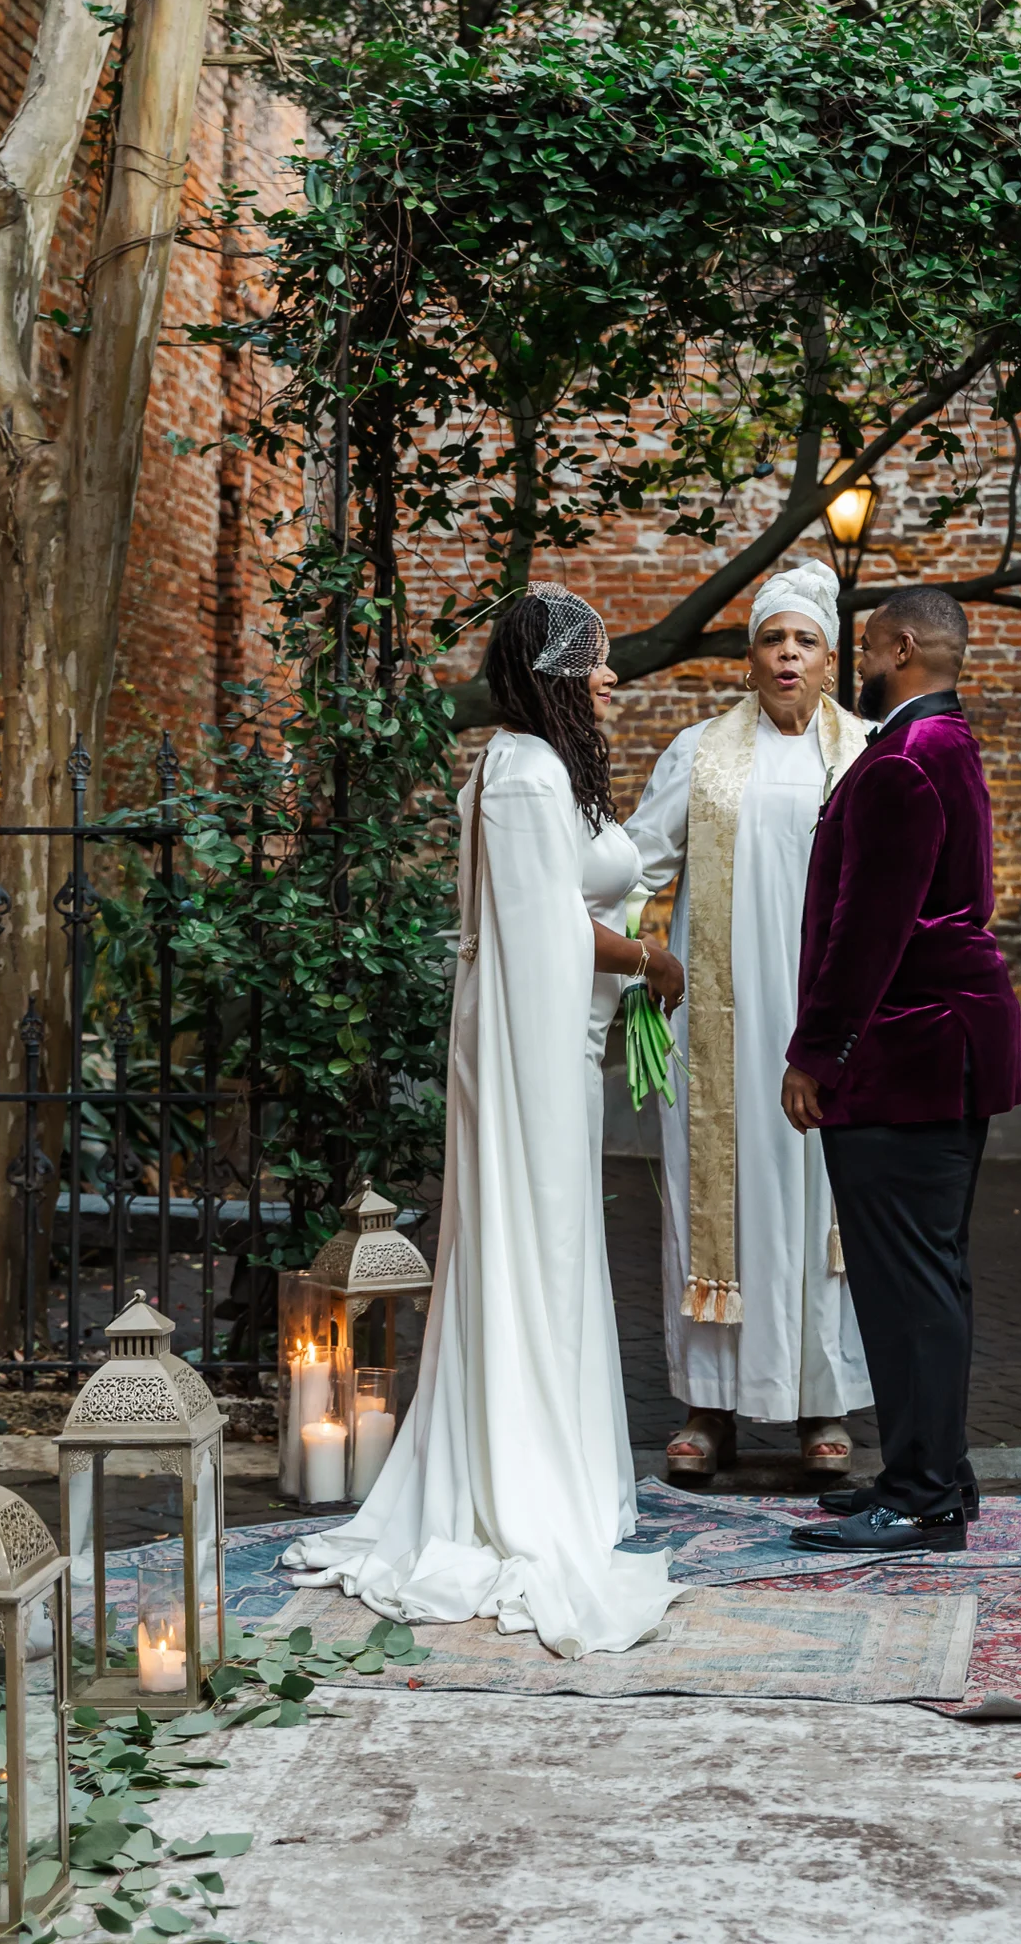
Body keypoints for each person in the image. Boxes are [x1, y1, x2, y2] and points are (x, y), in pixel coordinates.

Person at [284, 586, 684, 1655]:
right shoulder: (520, 773)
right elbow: (543, 932)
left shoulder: (546, 770)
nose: (612, 677)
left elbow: (577, 901)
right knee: (527, 1245)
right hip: (521, 1059)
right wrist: (647, 957)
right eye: (595, 661)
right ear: (550, 672)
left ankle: (566, 1474)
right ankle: (519, 1483)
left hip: (551, 1055)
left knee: (554, 1250)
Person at [781, 586, 1021, 1553]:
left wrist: (818, 1051)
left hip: (908, 1054)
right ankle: (933, 1471)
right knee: (928, 1277)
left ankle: (924, 1492)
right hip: (937, 1051)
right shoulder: (939, 745)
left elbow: (869, 931)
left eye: (868, 643)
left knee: (908, 1283)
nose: (861, 658)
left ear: (903, 643)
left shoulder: (906, 759)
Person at [627, 560, 873, 1484]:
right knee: (716, 1204)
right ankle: (710, 1408)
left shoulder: (866, 750)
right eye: (772, 639)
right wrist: (601, 944)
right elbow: (636, 866)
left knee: (824, 1210)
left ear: (830, 656)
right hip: (722, 1032)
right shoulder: (698, 754)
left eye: (804, 641)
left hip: (826, 1023)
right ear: (748, 655)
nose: (786, 656)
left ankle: (822, 1407)